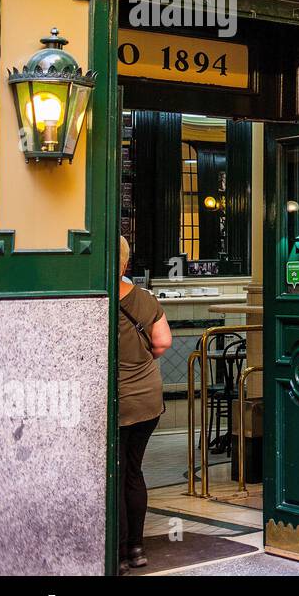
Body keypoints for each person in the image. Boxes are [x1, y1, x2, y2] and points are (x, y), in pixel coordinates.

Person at [117, 235, 172, 572]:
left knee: (118, 472)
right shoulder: (146, 299)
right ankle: (137, 548)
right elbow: (163, 341)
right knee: (134, 471)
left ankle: (120, 553)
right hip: (149, 398)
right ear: (125, 262)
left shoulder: (103, 300)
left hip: (120, 401)